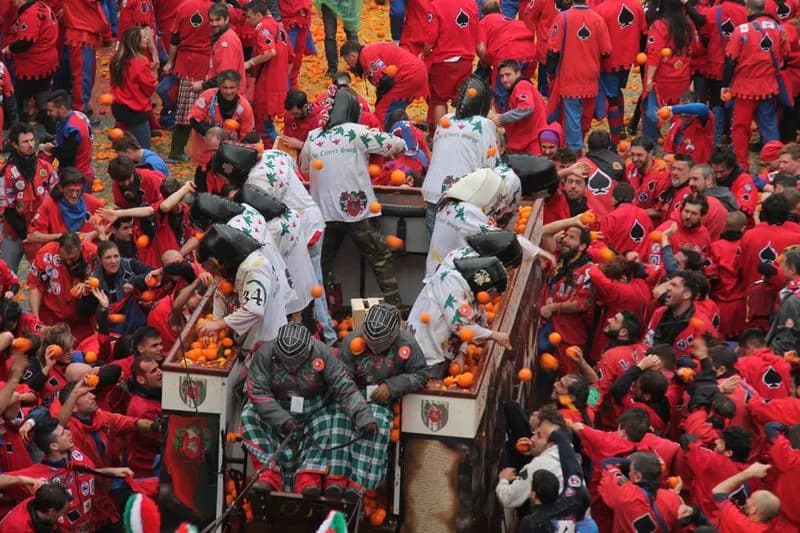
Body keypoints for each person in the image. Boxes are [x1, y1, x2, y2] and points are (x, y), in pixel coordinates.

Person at [299, 87, 405, 307]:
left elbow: (305, 169)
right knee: (380, 257)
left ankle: (315, 313)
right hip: (357, 212)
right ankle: (396, 308)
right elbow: (394, 145)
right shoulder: (356, 132)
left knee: (320, 265)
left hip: (324, 212)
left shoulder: (313, 137)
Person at [242, 323, 376, 495]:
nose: (290, 366)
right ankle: (268, 475)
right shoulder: (265, 354)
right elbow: (257, 390)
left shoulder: (323, 353)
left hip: (314, 408)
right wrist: (282, 419)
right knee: (249, 414)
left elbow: (344, 386)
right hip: (276, 406)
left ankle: (307, 479)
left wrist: (364, 417)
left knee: (326, 421)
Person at [329, 304, 429, 496]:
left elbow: (421, 374)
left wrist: (392, 386)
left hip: (384, 399)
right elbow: (342, 380)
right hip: (354, 394)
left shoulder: (407, 343)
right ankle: (336, 477)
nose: (374, 348)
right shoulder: (352, 341)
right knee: (339, 420)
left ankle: (360, 482)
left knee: (378, 424)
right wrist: (357, 404)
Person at [3, 417, 133, 532]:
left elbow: (83, 470)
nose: (69, 433)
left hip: (96, 523)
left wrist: (111, 472)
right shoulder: (36, 473)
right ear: (54, 446)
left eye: (65, 429)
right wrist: (22, 479)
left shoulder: (75, 452)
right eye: (62, 433)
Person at [407, 256, 512, 377]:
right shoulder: (452, 284)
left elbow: (472, 322)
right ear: (489, 290)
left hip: (442, 351)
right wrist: (494, 335)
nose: (493, 299)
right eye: (496, 294)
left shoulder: (473, 293)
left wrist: (461, 352)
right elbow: (460, 325)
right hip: (424, 351)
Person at [422, 76, 498, 237]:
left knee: (437, 254)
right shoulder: (485, 125)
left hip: (434, 195)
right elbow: (492, 167)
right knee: (459, 254)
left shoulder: (445, 120)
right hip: (461, 200)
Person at [195, 224, 288, 346]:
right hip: (251, 338)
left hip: (267, 339)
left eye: (213, 269)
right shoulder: (234, 268)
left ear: (218, 260)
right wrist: (216, 322)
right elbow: (221, 291)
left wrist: (218, 324)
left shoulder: (255, 267)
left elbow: (254, 310)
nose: (214, 274)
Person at [724, 0, 789, 171]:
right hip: (768, 85)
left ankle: (742, 165)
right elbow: (785, 56)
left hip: (744, 87)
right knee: (769, 124)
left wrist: (725, 85)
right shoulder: (779, 28)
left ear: (748, 9)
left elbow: (731, 61)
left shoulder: (741, 30)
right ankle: (776, 165)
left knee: (740, 127)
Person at [546, 0, 612, 152]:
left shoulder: (562, 18)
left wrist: (551, 72)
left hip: (570, 78)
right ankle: (578, 145)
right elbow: (606, 52)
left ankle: (575, 152)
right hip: (591, 77)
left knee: (572, 118)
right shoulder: (598, 19)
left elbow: (553, 51)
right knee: (585, 118)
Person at [426, 168, 506, 277]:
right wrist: (534, 251)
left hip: (437, 272)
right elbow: (499, 240)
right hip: (451, 278)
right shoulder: (467, 211)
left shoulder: (450, 204)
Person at [0, 123, 58, 271]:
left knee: (46, 271)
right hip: (15, 230)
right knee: (6, 271)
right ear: (14, 144)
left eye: (32, 140)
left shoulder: (45, 167)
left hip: (43, 229)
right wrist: (27, 233)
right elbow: (7, 207)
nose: (31, 145)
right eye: (25, 142)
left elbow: (57, 197)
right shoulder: (6, 173)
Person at [188, 70, 254, 192]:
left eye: (232, 88)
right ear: (219, 86)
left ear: (238, 87)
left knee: (223, 191)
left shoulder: (244, 107)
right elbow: (193, 118)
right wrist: (211, 134)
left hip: (228, 158)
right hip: (204, 154)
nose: (228, 91)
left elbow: (246, 136)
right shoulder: (208, 96)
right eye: (225, 88)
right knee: (201, 190)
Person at [540, 226, 595, 373]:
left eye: (572, 237)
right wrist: (572, 221)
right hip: (546, 328)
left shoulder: (589, 271)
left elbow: (582, 303)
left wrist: (553, 307)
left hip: (568, 337)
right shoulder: (560, 259)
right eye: (566, 236)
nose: (565, 240)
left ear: (582, 246)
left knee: (565, 383)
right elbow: (545, 231)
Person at [642, 0, 699, 141]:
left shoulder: (660, 25)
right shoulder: (688, 25)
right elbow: (695, 48)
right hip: (682, 77)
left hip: (662, 79)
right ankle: (679, 144)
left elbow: (655, 54)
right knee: (679, 114)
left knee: (652, 114)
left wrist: (649, 78)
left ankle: (650, 145)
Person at [164, 0, 213, 163]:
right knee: (198, 110)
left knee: (185, 109)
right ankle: (180, 151)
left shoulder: (183, 6)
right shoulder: (213, 8)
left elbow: (174, 39)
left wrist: (170, 62)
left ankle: (178, 150)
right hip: (204, 63)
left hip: (184, 63)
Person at [27, 233, 97, 341]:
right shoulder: (46, 254)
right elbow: (35, 285)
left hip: (82, 319)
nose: (68, 262)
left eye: (73, 258)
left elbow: (103, 281)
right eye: (64, 259)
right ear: (58, 247)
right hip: (51, 317)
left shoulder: (92, 253)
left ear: (80, 247)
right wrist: (35, 319)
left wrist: (88, 284)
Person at [593, 0, 646, 143]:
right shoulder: (637, 6)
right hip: (629, 58)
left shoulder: (601, 10)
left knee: (612, 98)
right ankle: (620, 128)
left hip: (608, 60)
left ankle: (616, 138)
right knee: (616, 91)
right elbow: (643, 31)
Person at [420, 0, 478, 128]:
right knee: (463, 100)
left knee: (439, 100)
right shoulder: (471, 3)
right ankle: (462, 133)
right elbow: (476, 30)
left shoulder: (437, 5)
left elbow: (430, 38)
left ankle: (440, 135)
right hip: (465, 60)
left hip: (443, 60)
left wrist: (424, 52)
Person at [3, 0, 59, 130]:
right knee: (42, 94)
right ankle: (51, 129)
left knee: (20, 99)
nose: (13, 3)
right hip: (47, 61)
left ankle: (20, 130)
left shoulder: (30, 14)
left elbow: (25, 42)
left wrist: (9, 49)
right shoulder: (41, 6)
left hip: (33, 65)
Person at [340, 40, 429, 122]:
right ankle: (399, 129)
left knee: (382, 112)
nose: (347, 65)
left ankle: (386, 135)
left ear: (352, 56)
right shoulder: (369, 51)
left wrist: (380, 100)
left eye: (347, 60)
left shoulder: (366, 56)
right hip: (415, 72)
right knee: (396, 109)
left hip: (408, 76)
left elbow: (385, 80)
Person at [26, 168, 104, 258]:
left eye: (78, 190)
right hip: (60, 256)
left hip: (87, 255)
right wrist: (61, 237)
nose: (74, 195)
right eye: (70, 190)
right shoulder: (50, 205)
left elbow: (109, 225)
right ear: (61, 188)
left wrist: (92, 234)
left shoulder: (93, 202)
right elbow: (32, 236)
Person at [244, 1, 290, 147]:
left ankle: (279, 154)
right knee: (267, 125)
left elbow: (270, 51)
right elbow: (291, 59)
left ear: (259, 15)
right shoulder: (280, 27)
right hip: (277, 85)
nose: (247, 21)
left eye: (249, 17)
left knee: (264, 129)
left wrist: (250, 62)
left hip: (266, 86)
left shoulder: (262, 27)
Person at [599, 452, 683, 532]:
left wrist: (630, 462)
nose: (628, 473)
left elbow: (607, 463)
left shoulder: (624, 492)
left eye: (630, 470)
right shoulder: (674, 499)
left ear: (637, 477)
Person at [476, 0, 536, 111]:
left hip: (507, 54)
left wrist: (486, 62)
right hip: (530, 54)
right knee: (523, 86)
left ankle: (505, 122)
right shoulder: (512, 21)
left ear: (483, 14)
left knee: (501, 93)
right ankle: (527, 115)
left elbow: (480, 48)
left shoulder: (484, 21)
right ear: (500, 11)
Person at [643, 270, 715, 358]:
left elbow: (711, 362)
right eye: (669, 284)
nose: (668, 288)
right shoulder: (659, 313)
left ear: (686, 295)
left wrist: (688, 365)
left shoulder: (702, 324)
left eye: (674, 285)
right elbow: (647, 343)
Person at [110, 26, 157, 149]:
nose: (147, 39)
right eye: (144, 37)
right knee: (143, 149)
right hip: (134, 110)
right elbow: (149, 88)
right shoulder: (140, 62)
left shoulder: (116, 60)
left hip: (118, 107)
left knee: (123, 146)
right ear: (136, 42)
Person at [61, 0, 109, 114]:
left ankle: (80, 106)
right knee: (82, 77)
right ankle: (80, 110)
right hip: (81, 32)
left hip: (81, 31)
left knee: (83, 75)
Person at [492, 60, 547, 154]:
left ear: (518, 73)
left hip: (532, 144)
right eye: (501, 76)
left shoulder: (522, 85)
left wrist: (501, 118)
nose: (504, 79)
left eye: (508, 75)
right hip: (527, 143)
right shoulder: (516, 89)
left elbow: (526, 108)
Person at [41, 91, 94, 186]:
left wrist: (51, 149)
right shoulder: (76, 115)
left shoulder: (72, 129)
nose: (48, 114)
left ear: (62, 108)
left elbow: (66, 155)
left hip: (77, 177)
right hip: (84, 169)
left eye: (51, 110)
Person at [711, 462, 785, 530]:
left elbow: (718, 491)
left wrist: (749, 473)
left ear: (754, 510)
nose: (746, 500)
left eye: (750, 499)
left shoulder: (740, 523)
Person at [193, 3, 245, 93]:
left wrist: (203, 85)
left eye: (218, 20)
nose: (214, 24)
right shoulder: (223, 36)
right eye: (211, 20)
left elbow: (226, 75)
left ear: (227, 19)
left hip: (229, 97)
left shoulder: (227, 41)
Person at [709, 148, 758, 221]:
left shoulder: (744, 181)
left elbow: (745, 213)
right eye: (715, 172)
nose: (718, 176)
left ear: (731, 167)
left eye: (722, 172)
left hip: (738, 226)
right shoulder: (709, 178)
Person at [767, 246, 800, 354]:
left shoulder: (793, 300)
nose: (781, 268)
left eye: (784, 265)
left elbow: (786, 341)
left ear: (792, 269)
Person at [0, 484, 72, 533]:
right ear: (51, 511)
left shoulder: (40, 499)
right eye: (62, 512)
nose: (63, 514)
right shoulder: (19, 528)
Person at [626, 136, 670, 214]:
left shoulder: (662, 176)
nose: (635, 159)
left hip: (651, 223)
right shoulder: (630, 168)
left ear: (650, 153)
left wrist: (634, 213)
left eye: (639, 155)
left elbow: (661, 211)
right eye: (632, 154)